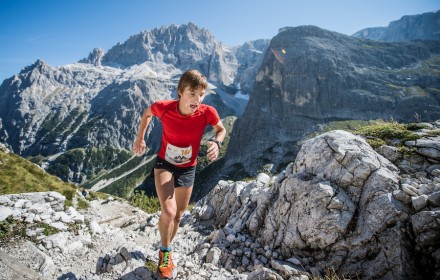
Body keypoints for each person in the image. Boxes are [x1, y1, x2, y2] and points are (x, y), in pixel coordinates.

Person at [133, 69, 226, 279]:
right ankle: (165, 254)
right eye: (192, 93)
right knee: (168, 210)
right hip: (164, 163)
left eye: (201, 94)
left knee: (179, 215)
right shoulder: (164, 108)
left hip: (188, 168)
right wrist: (140, 138)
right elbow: (147, 113)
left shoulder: (207, 112)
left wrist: (217, 143)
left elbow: (221, 130)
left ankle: (166, 244)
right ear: (180, 92)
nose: (197, 99)